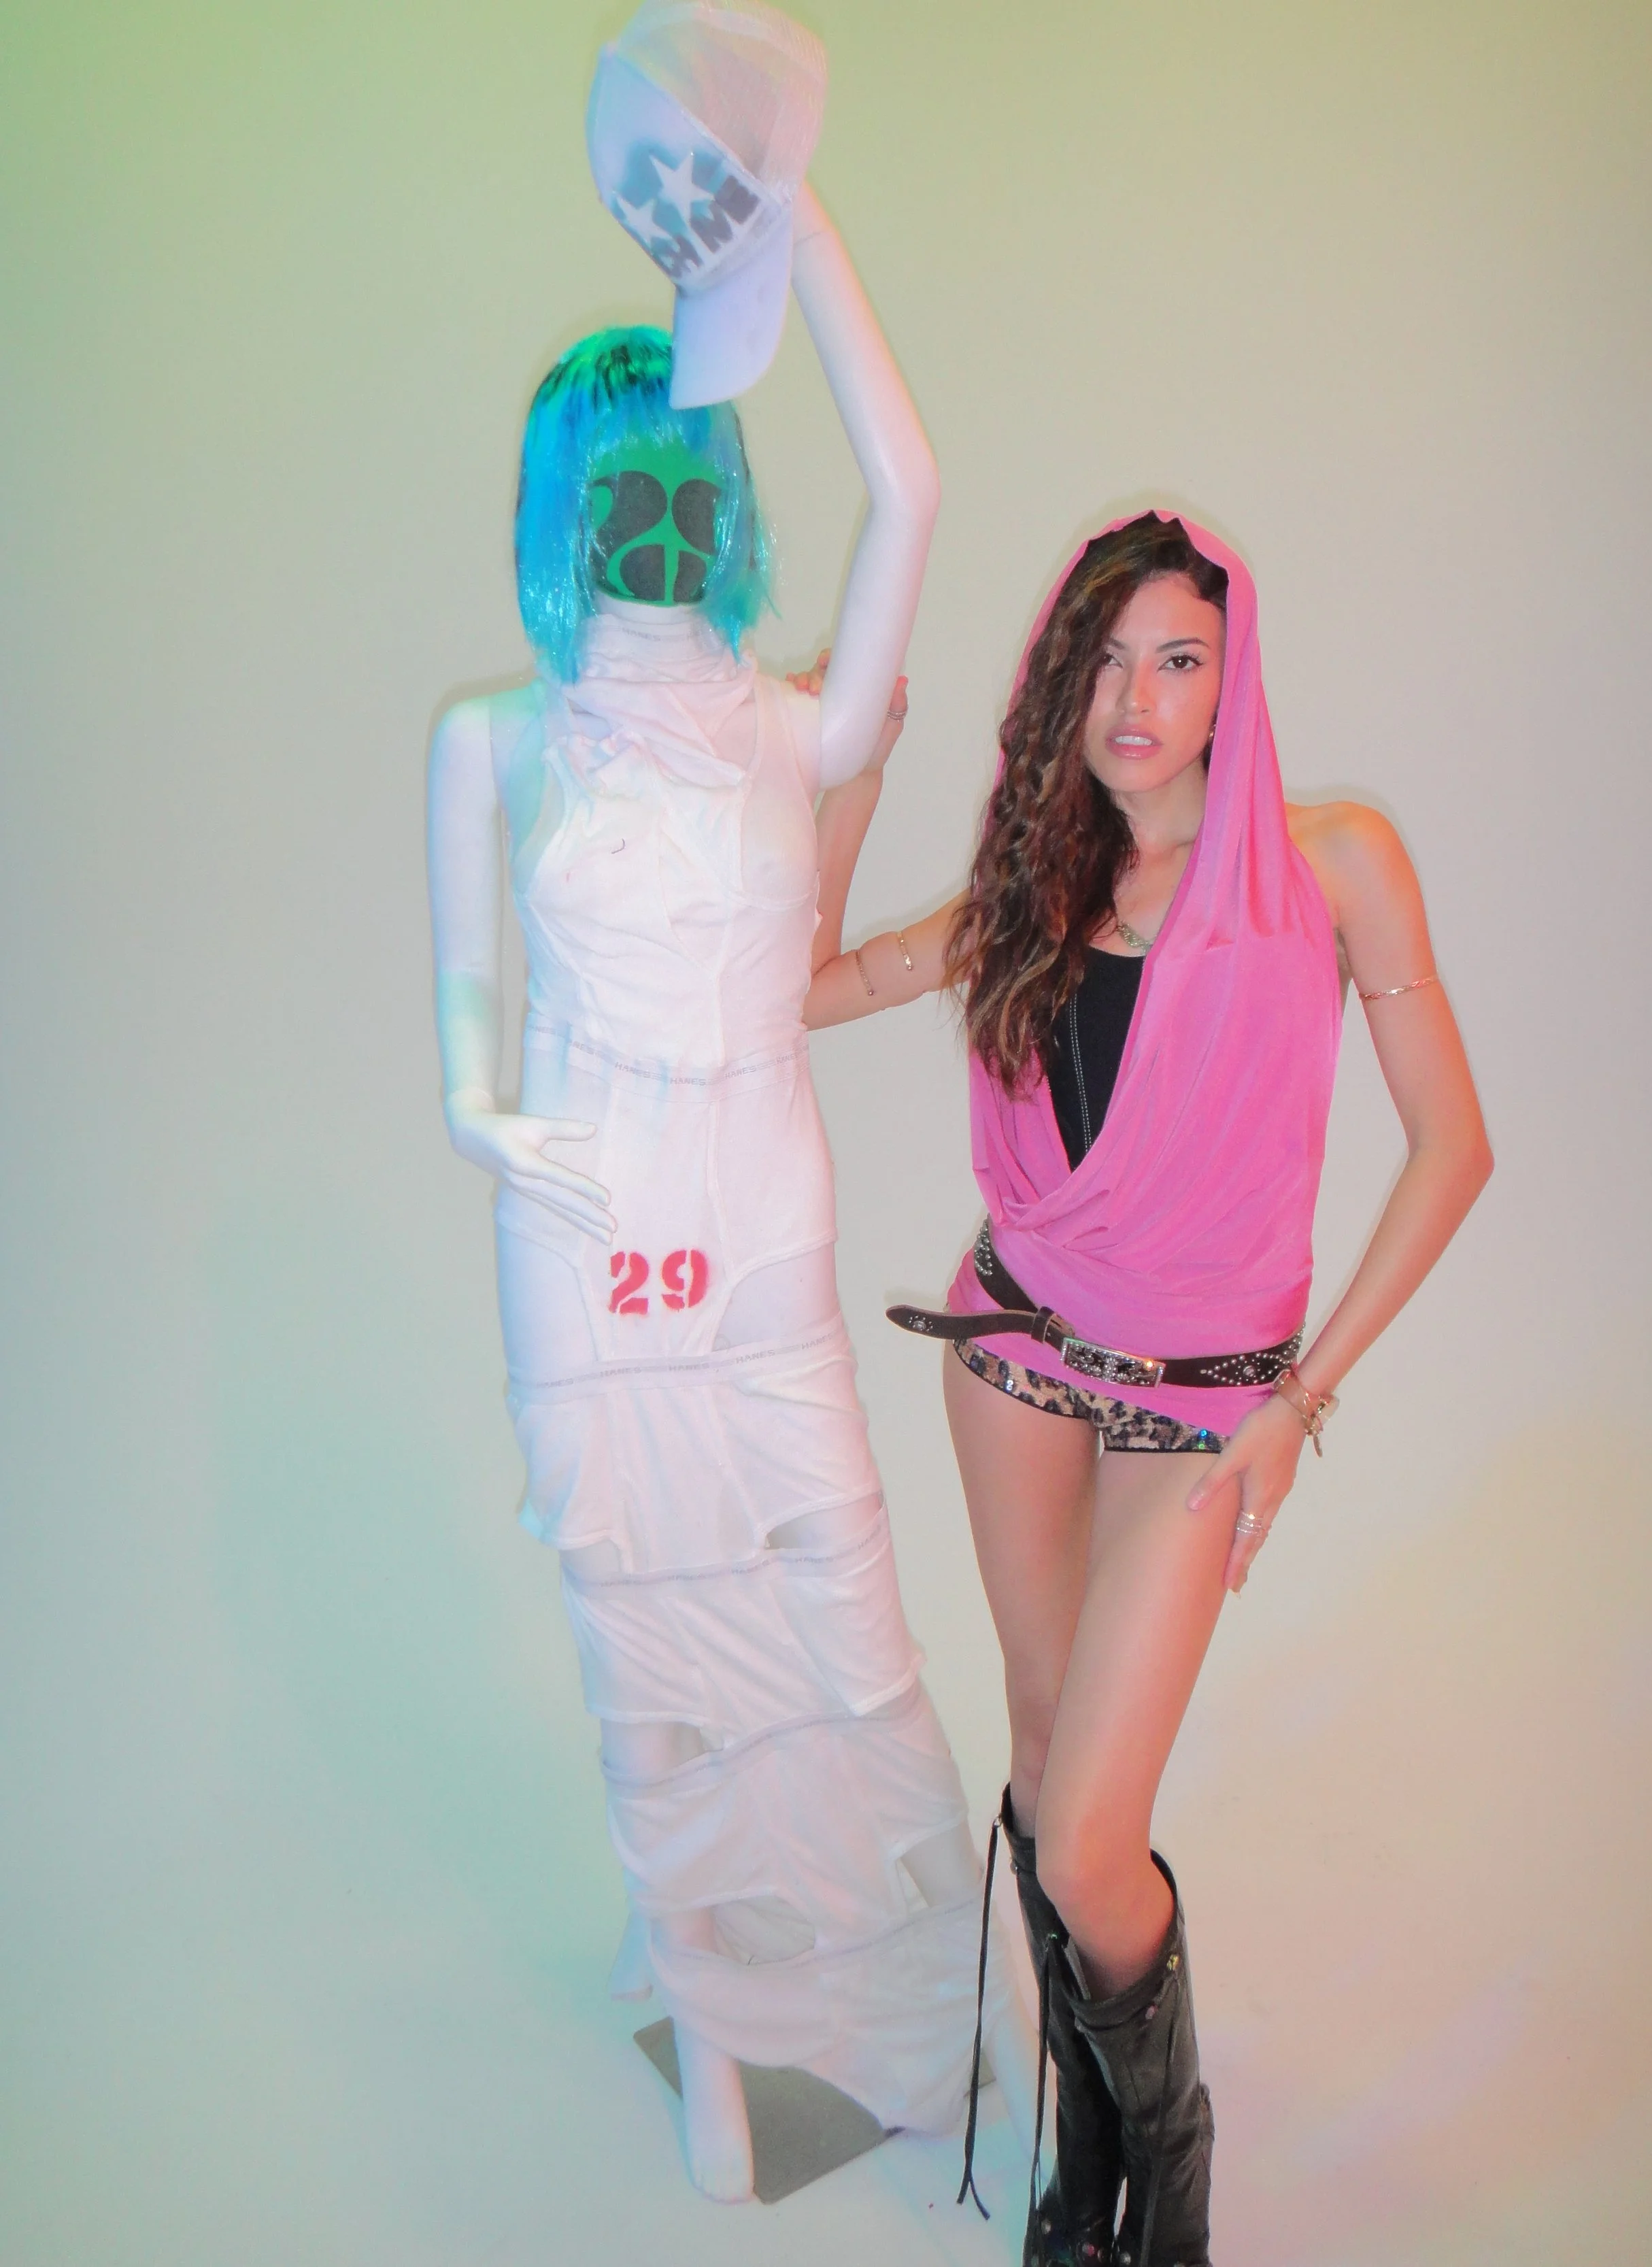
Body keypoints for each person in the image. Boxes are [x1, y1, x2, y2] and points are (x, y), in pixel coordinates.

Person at [426, 171, 1032, 2206]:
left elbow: (914, 487)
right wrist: (486, 1116)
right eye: (617, 490)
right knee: (647, 1645)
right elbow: (467, 1019)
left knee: (844, 1628)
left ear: (727, 503)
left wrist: (801, 236)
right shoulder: (495, 743)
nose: (655, 523)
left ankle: (909, 2015)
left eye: (686, 483)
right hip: (588, 1227)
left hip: (756, 1208)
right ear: (560, 514)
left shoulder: (796, 731)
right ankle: (709, 2019)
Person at [804, 511, 1493, 2265]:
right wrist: (851, 771)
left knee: (1091, 1841)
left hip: (1209, 1400)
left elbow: (1453, 1150)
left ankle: (1166, 2171)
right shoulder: (1039, 891)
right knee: (1045, 1771)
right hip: (1019, 1358)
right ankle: (1084, 2162)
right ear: (1063, 681)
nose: (1138, 699)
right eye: (1105, 661)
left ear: (1230, 680)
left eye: (1179, 660)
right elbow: (801, 987)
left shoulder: (1332, 865)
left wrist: (1301, 1399)